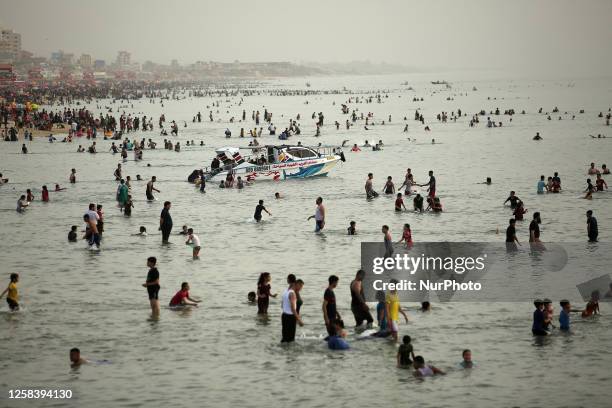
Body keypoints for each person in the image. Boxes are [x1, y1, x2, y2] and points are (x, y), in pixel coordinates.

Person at [281, 274, 303, 343]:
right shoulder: (292, 294)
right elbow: (293, 309)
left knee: (284, 337)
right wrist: (299, 319)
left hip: (284, 316)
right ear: (297, 284)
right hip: (290, 317)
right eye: (301, 286)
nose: (301, 289)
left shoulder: (285, 291)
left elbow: (282, 305)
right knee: (291, 339)